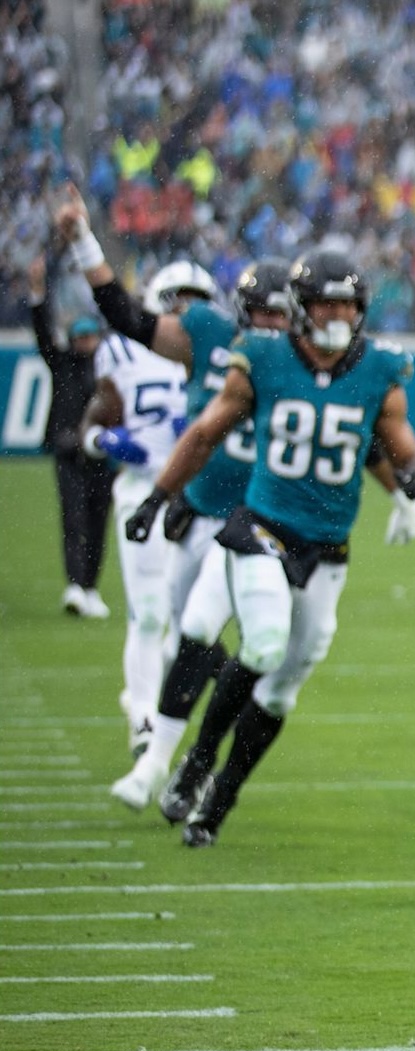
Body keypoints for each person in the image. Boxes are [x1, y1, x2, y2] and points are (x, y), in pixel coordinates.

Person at [124, 251, 415, 846]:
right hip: (263, 525)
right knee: (264, 639)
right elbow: (204, 432)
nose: (338, 314)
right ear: (301, 308)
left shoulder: (378, 369)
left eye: (348, 303)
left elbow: (398, 441)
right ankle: (193, 764)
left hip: (327, 543)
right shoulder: (264, 359)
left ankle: (220, 796)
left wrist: (414, 481)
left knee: (284, 682)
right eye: (327, 302)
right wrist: (158, 496)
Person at [84, 252, 299, 811]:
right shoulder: (213, 337)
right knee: (188, 638)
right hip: (202, 510)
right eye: (259, 314)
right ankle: (180, 760)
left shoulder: (309, 366)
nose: (269, 326)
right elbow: (202, 434)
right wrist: (168, 496)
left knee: (243, 641)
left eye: (279, 315)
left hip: (260, 524)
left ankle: (171, 764)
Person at [79, 265, 206, 754]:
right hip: (142, 489)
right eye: (178, 299)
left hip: (195, 497)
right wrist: (104, 440)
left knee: (189, 621)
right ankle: (145, 722)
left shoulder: (215, 354)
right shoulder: (124, 350)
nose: (185, 310)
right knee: (150, 612)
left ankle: (143, 697)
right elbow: (93, 420)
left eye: (195, 301)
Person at [26, 251, 115, 619]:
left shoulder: (109, 365)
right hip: (69, 450)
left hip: (102, 454)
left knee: (97, 522)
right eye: (81, 338)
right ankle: (76, 585)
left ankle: (90, 586)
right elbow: (42, 329)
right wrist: (37, 292)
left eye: (90, 337)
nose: (86, 343)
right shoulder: (61, 361)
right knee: (74, 518)